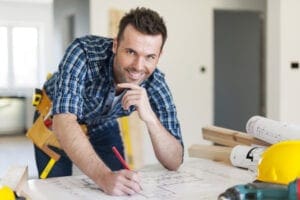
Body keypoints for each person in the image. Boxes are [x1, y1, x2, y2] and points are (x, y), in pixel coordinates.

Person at [34, 7, 183, 196]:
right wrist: (103, 177)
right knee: (55, 190)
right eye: (130, 52)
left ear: (159, 56)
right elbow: (64, 121)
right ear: (115, 45)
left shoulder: (155, 82)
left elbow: (174, 160)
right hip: (53, 119)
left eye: (149, 57)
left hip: (101, 122)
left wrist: (151, 118)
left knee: (122, 186)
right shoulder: (83, 53)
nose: (138, 66)